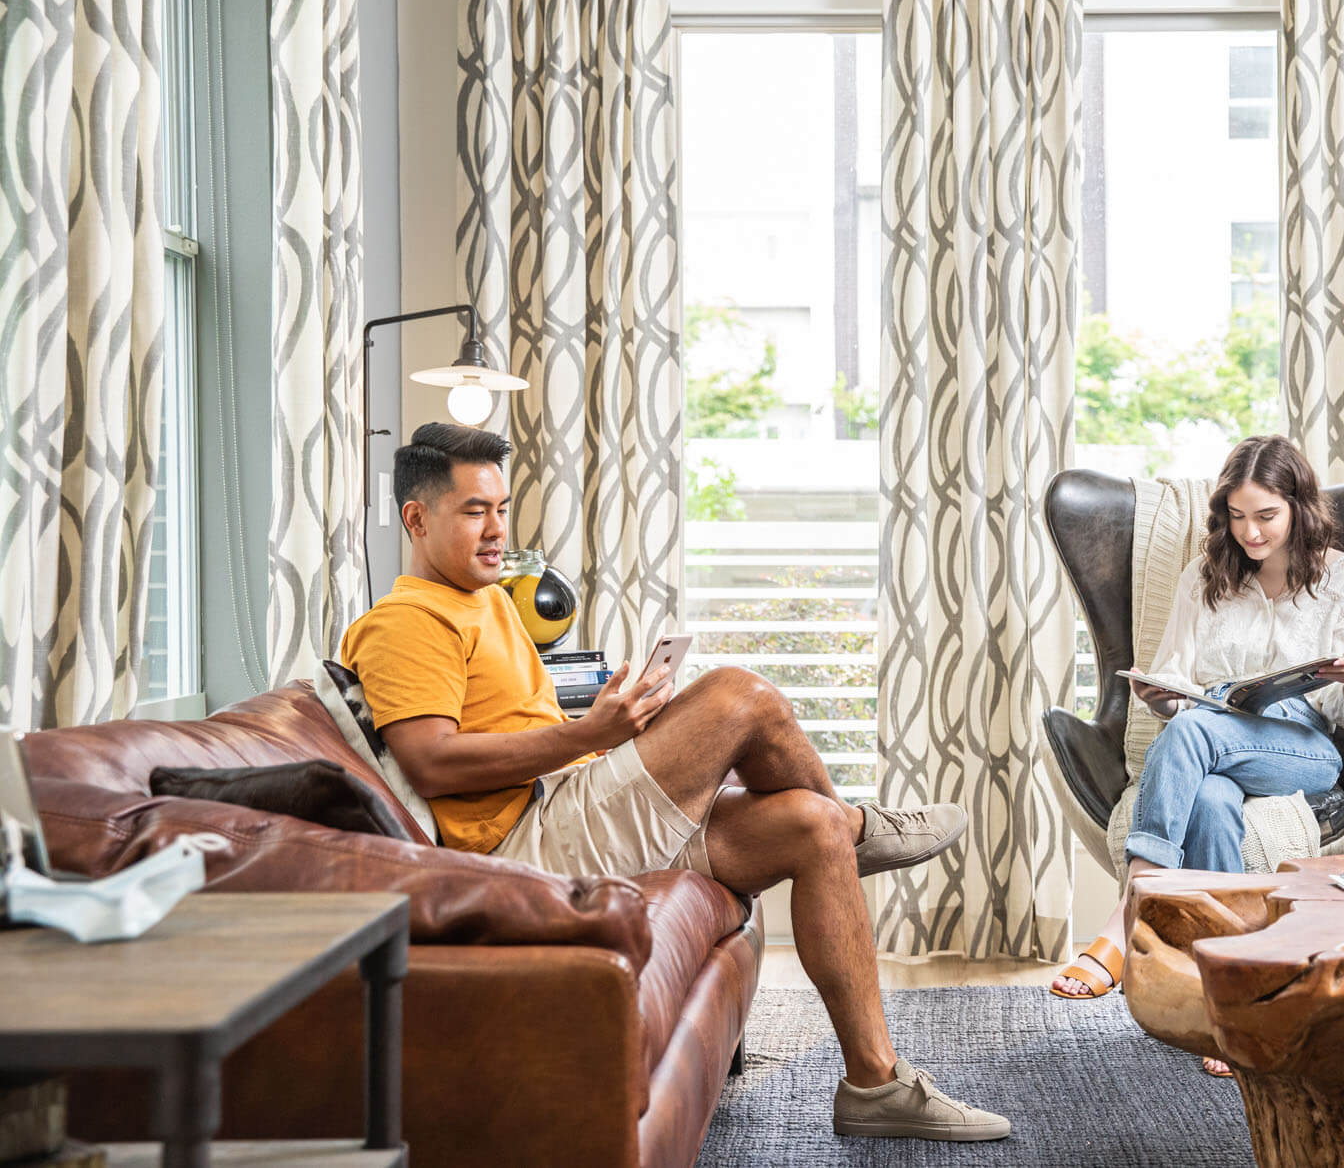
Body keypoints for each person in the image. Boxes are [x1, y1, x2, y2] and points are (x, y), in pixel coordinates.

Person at [341, 423, 1010, 1142]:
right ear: (416, 517)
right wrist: (589, 734)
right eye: (475, 511)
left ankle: (875, 1084)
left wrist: (610, 723)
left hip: (568, 799)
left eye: (503, 507)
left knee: (809, 828)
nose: (498, 529)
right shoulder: (406, 620)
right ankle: (864, 827)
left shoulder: (491, 600)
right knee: (739, 695)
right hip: (520, 842)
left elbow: (503, 721)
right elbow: (432, 760)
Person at [1048, 435, 1344, 1077]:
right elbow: (1180, 688)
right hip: (1210, 725)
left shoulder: (1342, 578)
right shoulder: (1207, 577)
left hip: (1304, 746)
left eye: (1266, 515)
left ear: (1298, 506)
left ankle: (1130, 913)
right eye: (1237, 517)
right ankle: (1227, 1009)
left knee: (1193, 736)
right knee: (1205, 787)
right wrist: (1158, 697)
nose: (1251, 532)